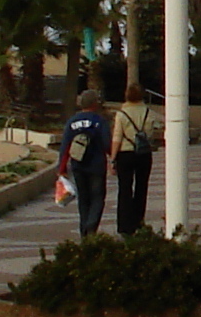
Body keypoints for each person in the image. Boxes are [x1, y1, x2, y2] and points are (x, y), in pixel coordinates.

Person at [59, 89, 113, 237]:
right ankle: (91, 226)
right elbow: (107, 144)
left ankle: (84, 230)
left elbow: (65, 147)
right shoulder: (100, 121)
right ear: (95, 104)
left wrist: (61, 168)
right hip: (96, 166)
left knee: (83, 199)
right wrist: (114, 159)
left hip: (78, 166)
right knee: (97, 197)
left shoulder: (72, 122)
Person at [110, 81, 161, 233]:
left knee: (124, 189)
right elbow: (158, 128)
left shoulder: (121, 114)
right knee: (141, 187)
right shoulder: (149, 113)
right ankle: (138, 221)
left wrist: (113, 158)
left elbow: (117, 138)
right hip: (144, 154)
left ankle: (125, 225)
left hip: (125, 153)